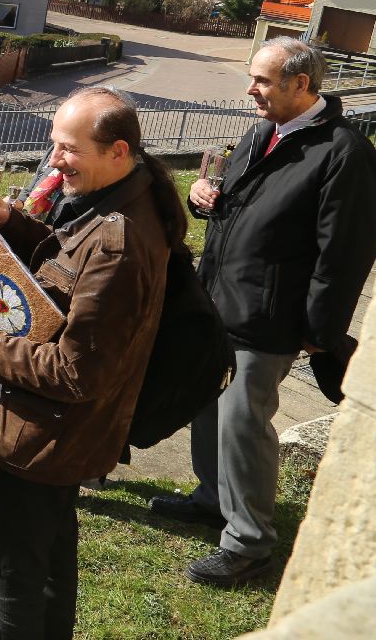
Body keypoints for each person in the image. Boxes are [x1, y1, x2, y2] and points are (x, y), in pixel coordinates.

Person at [152, 38, 376, 587]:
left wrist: (319, 331)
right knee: (206, 405)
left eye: (261, 80)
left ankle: (250, 544)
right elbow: (236, 203)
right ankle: (213, 498)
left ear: (301, 84)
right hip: (219, 301)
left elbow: (343, 253)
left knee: (242, 424)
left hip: (268, 318)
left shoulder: (345, 153)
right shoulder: (263, 132)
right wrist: (205, 194)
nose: (250, 89)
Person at [0, 87, 178, 638]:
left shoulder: (119, 241)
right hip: (65, 434)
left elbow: (76, 372)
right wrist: (14, 222)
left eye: (68, 149)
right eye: (54, 145)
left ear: (118, 152)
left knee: (10, 571)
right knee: (49, 557)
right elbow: (67, 262)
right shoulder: (119, 201)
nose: (54, 161)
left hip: (52, 435)